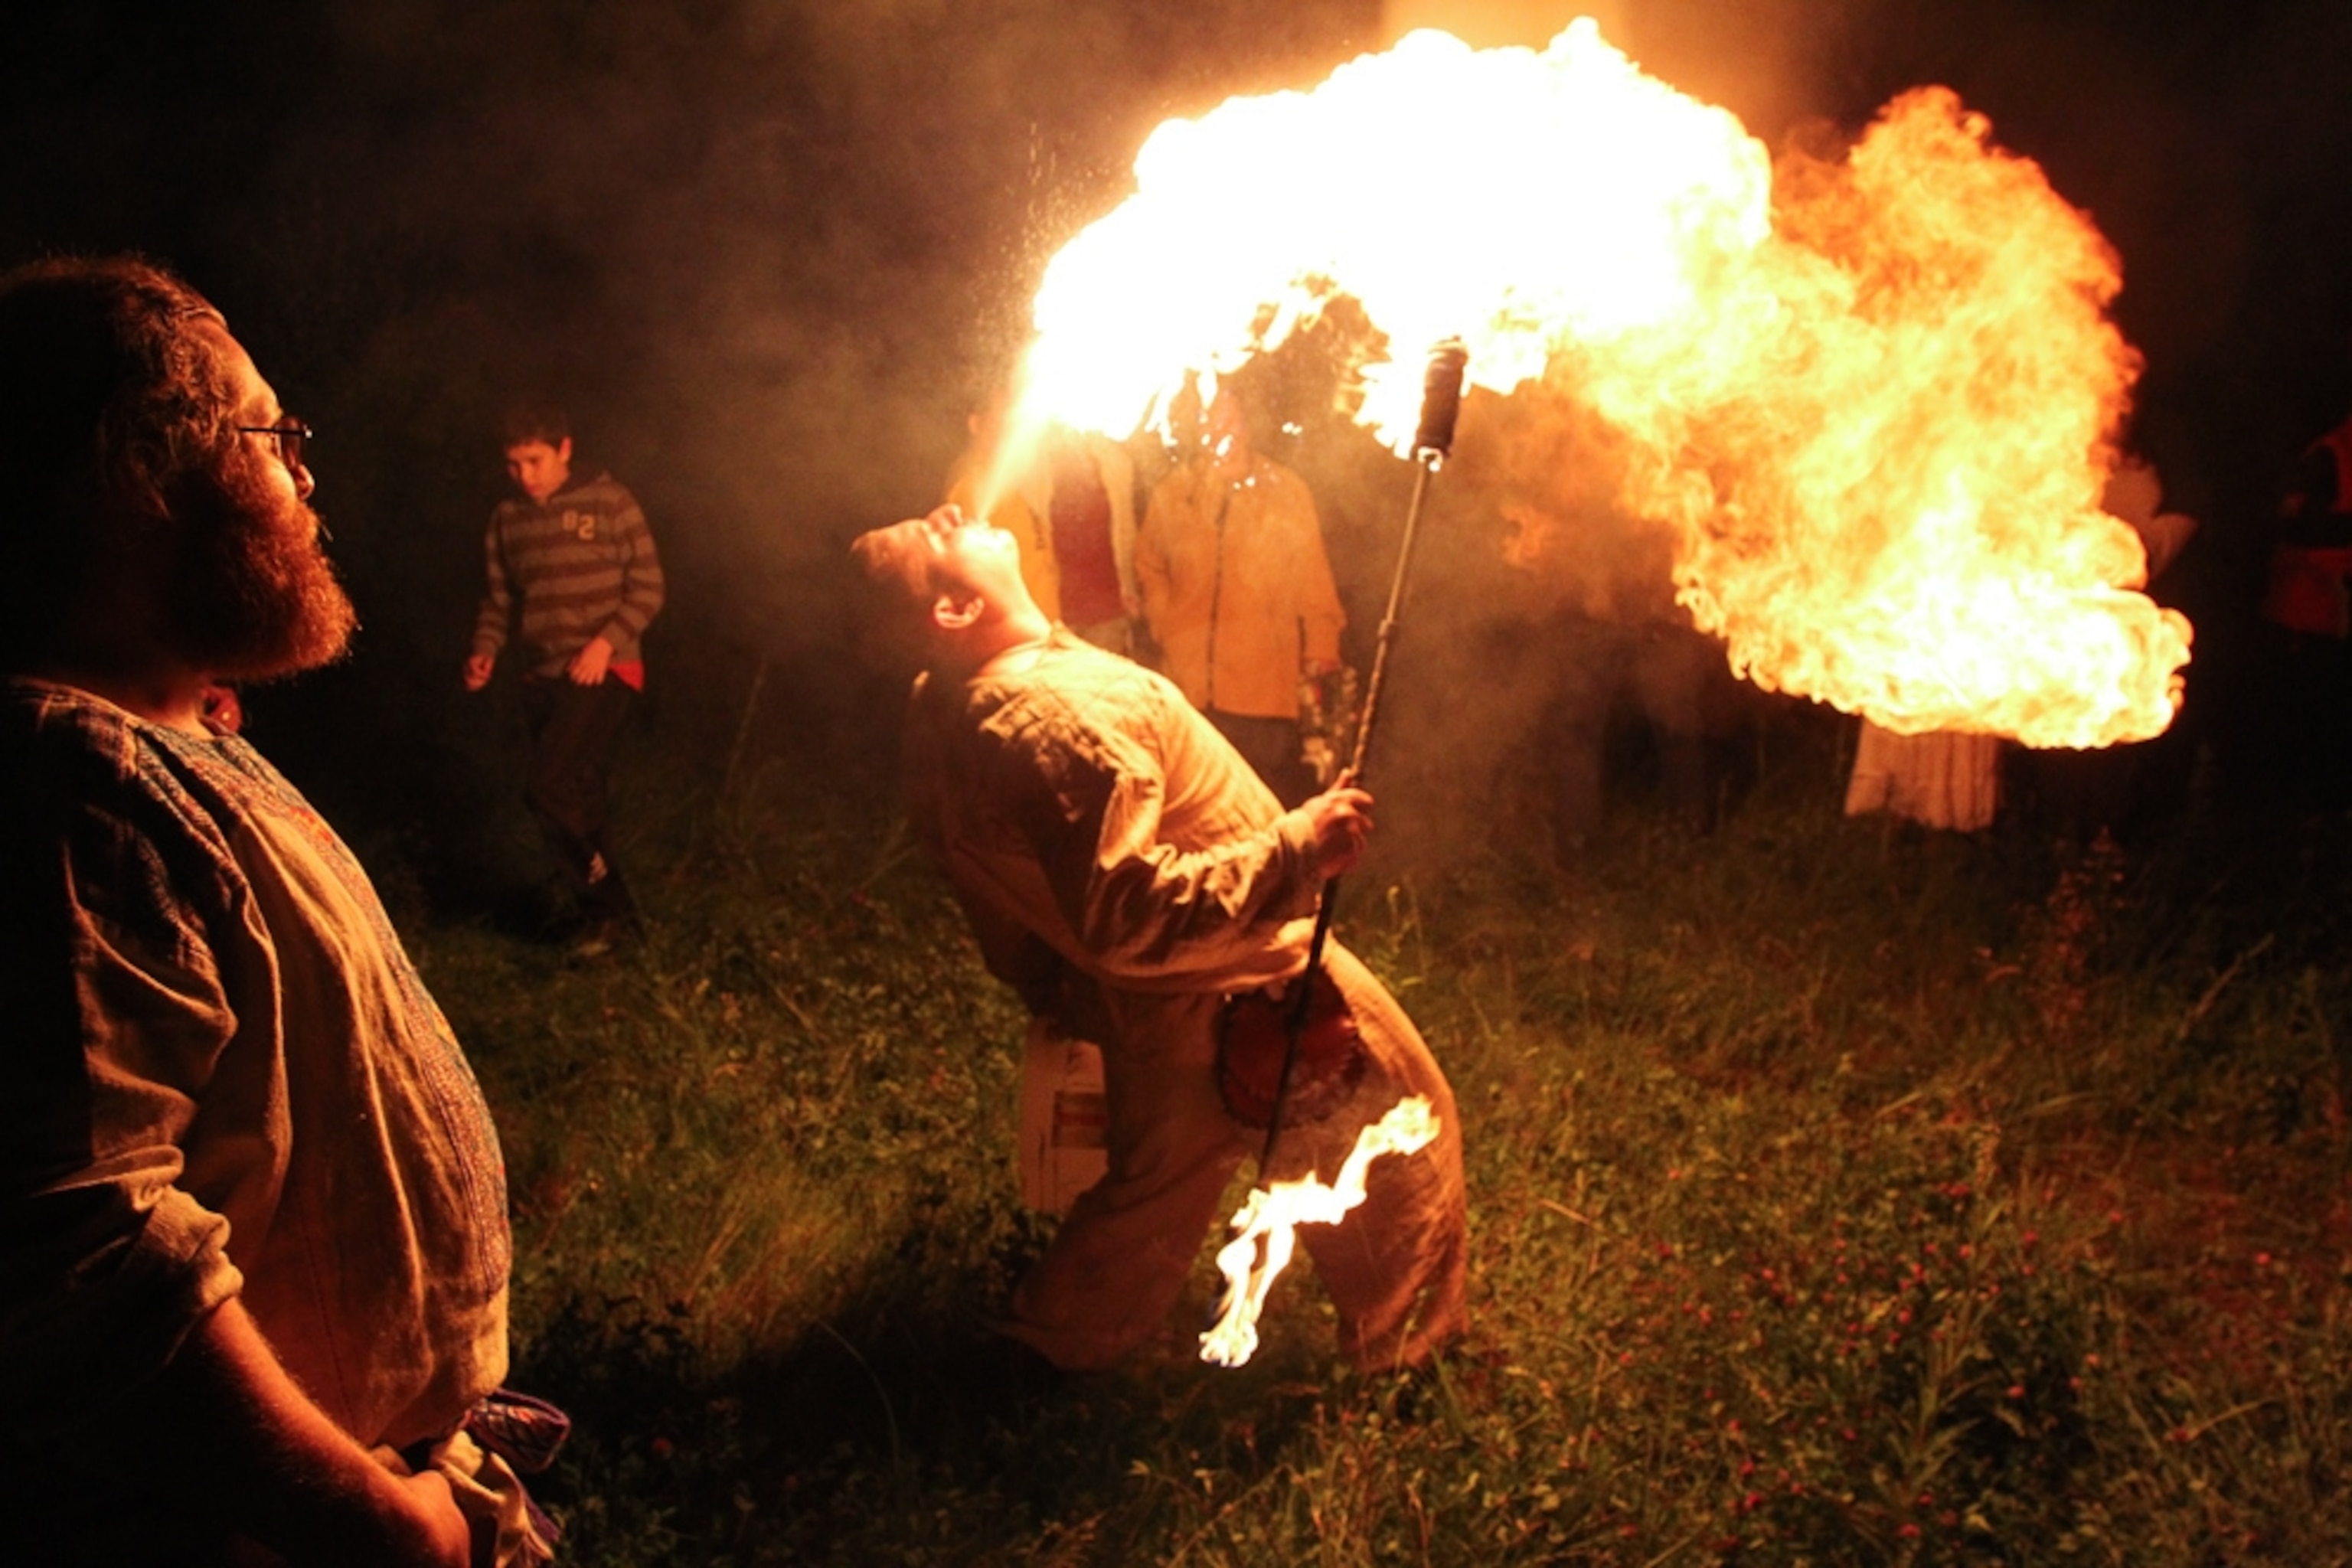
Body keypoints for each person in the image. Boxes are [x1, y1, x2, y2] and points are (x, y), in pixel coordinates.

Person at [0, 257, 550, 1564]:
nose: (306, 477)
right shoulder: (69, 785)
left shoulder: (162, 737)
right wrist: (379, 1528)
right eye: (273, 435)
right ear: (143, 477)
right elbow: (82, 1258)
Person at [852, 504, 1467, 1374]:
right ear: (952, 612)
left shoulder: (949, 698)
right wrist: (1298, 847)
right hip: (1237, 974)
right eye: (935, 533)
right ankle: (1410, 1359)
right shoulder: (1060, 718)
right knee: (1407, 1129)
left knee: (1153, 1192)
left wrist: (1056, 986)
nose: (955, 510)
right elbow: (1127, 913)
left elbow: (1015, 895)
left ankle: (1039, 1358)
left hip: (1148, 999)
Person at [464, 404, 664, 955]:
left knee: (547, 786)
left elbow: (648, 587)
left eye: (534, 461)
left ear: (564, 450)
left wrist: (605, 644)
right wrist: (485, 649)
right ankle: (616, 925)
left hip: (607, 667)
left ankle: (603, 907)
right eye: (513, 465)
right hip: (542, 674)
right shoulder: (508, 518)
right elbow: (499, 598)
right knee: (581, 795)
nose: (524, 476)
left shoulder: (609, 501)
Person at [1136, 391, 1347, 805]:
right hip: (1190, 689)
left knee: (1258, 809)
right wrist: (1166, 623)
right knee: (1195, 808)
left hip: (1262, 695)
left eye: (1229, 419)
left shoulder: (1285, 492)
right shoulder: (1176, 491)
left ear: (1248, 426)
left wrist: (1321, 657)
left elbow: (1315, 585)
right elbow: (1149, 564)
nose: (1219, 430)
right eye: (1209, 421)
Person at [942, 387, 1142, 654]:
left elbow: (1125, 533)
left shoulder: (1113, 461)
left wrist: (1130, 588)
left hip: (1100, 614)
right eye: (1006, 420)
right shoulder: (979, 482)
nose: (1014, 429)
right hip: (1033, 629)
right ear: (976, 424)